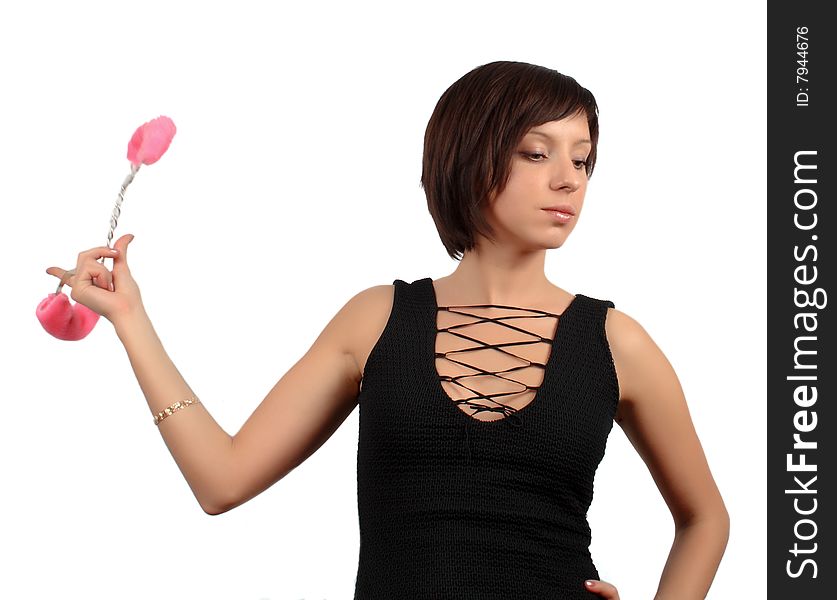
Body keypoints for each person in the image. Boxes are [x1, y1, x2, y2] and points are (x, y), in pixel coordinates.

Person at [46, 60, 729, 599]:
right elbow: (221, 481)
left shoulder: (617, 343)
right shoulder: (377, 319)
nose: (567, 180)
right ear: (470, 155)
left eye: (581, 160)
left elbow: (705, 519)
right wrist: (131, 322)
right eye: (535, 153)